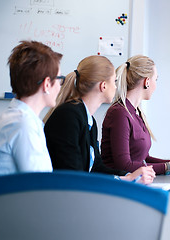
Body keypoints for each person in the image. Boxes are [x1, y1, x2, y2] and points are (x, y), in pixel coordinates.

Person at [44, 55, 155, 184]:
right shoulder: (68, 116)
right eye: (114, 82)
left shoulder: (89, 120)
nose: (116, 87)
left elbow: (96, 167)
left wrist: (129, 176)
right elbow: (73, 175)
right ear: (103, 86)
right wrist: (124, 179)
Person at [100, 55, 170, 175]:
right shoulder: (119, 113)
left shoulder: (135, 112)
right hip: (118, 185)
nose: (156, 85)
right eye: (156, 79)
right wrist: (167, 167)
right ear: (147, 82)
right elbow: (124, 165)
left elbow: (143, 159)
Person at [0, 41, 63, 177]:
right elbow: (39, 186)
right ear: (47, 84)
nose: (60, 86)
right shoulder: (24, 124)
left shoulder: (18, 116)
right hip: (18, 197)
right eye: (59, 79)